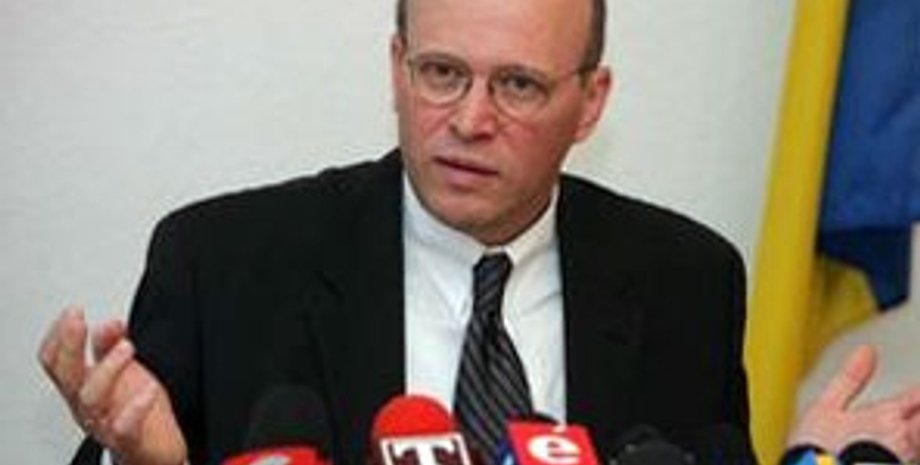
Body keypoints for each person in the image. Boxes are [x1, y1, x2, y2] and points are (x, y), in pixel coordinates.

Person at [37, 0, 920, 463]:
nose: (469, 119)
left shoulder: (688, 280)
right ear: (397, 68)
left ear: (591, 102)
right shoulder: (223, 263)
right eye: (442, 72)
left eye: (519, 85)